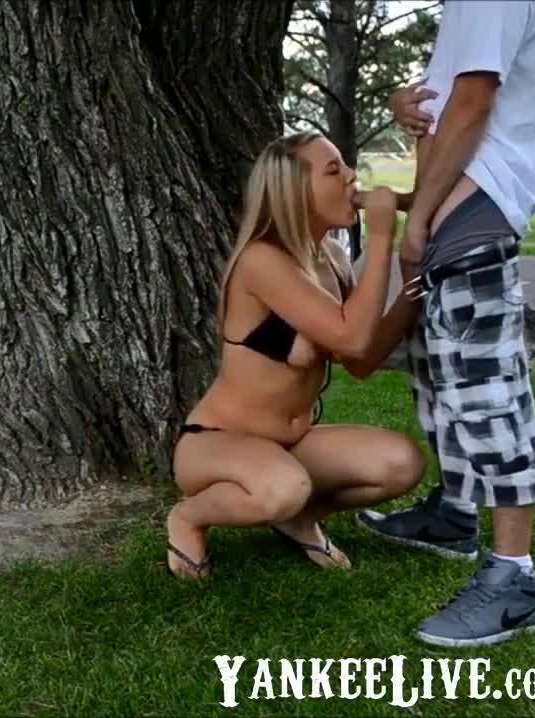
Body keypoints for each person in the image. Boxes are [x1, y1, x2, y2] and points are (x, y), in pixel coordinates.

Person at [355, 0, 535, 647]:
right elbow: (452, 99)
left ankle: (513, 579)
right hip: (463, 201)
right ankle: (453, 513)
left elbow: (474, 101)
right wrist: (404, 105)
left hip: (476, 204)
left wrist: (419, 219)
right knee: (440, 376)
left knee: (487, 393)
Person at [165, 131, 426, 580]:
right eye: (334, 170)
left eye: (346, 167)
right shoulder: (262, 260)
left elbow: (359, 362)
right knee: (284, 487)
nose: (351, 177)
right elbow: (351, 339)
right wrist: (381, 238)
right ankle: (188, 518)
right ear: (294, 191)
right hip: (218, 443)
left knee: (401, 462)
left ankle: (298, 517)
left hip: (292, 445)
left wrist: (412, 289)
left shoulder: (333, 258)